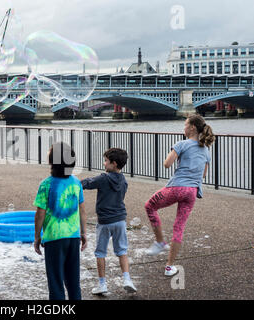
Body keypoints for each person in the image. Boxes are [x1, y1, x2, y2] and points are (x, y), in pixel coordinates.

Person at [144, 114, 215, 276]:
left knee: (150, 206)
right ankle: (169, 267)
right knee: (179, 227)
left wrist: (175, 155)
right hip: (192, 192)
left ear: (192, 128)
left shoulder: (181, 144)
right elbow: (203, 175)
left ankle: (160, 241)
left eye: (185, 125)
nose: (183, 128)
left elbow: (167, 164)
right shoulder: (206, 150)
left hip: (177, 188)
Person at [33, 142, 87, 300]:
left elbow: (40, 214)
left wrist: (37, 237)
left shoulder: (46, 184)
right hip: (73, 237)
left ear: (51, 163)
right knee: (73, 281)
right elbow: (82, 210)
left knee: (56, 282)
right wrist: (83, 233)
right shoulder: (76, 182)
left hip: (54, 239)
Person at [81, 148, 137, 295]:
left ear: (113, 163)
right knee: (122, 251)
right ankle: (127, 279)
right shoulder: (124, 180)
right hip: (120, 220)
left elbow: (86, 183)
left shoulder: (103, 178)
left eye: (106, 161)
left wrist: (72, 182)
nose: (104, 163)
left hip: (104, 222)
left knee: (100, 253)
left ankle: (102, 284)